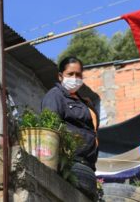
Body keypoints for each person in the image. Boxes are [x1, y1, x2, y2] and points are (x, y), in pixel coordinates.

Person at [41, 57, 99, 199]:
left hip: (88, 167)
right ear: (60, 76)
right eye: (70, 74)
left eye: (78, 75)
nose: (75, 78)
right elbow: (50, 129)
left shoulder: (83, 101)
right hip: (69, 166)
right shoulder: (55, 96)